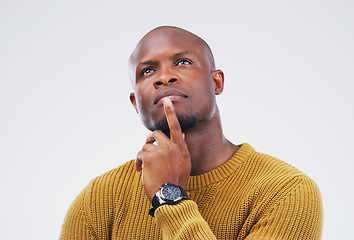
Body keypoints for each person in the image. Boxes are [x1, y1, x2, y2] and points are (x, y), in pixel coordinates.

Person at [60, 26, 323, 239]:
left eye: (183, 62)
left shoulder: (287, 192)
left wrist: (169, 196)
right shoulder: (98, 198)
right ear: (134, 102)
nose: (164, 78)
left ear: (217, 81)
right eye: (148, 71)